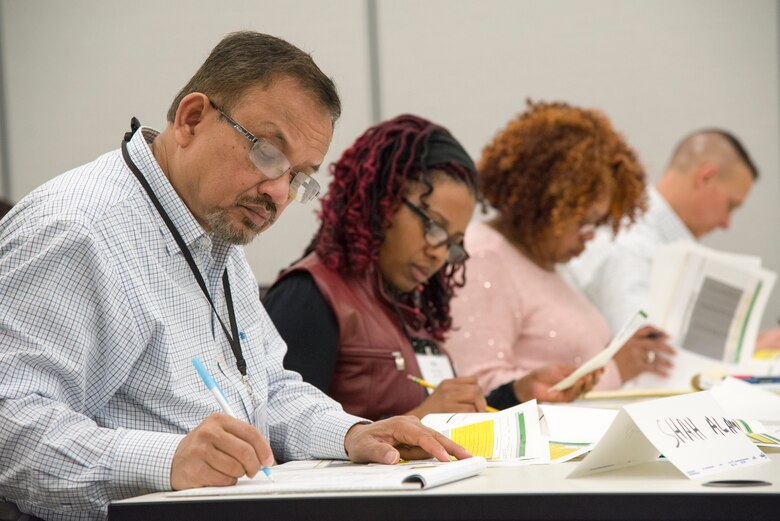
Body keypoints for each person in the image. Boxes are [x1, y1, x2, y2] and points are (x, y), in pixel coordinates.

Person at [0, 32, 469, 521]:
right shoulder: (78, 230)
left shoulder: (215, 233)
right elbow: (8, 425)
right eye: (268, 154)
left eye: (298, 176)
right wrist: (169, 461)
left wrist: (352, 433)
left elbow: (269, 391)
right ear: (192, 119)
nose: (278, 192)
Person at [263, 114, 596, 420]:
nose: (438, 253)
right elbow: (283, 443)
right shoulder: (309, 296)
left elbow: (437, 418)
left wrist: (517, 394)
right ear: (382, 200)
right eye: (434, 227)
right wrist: (420, 420)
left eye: (452, 244)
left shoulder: (410, 306)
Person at [444, 100, 676, 402]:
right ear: (542, 203)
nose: (590, 236)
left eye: (598, 223)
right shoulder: (484, 257)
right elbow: (478, 386)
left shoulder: (542, 261)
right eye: (583, 221)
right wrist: (615, 370)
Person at [561, 129, 780, 348]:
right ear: (706, 178)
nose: (726, 223)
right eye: (730, 205)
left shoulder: (654, 240)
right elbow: (645, 355)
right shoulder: (631, 243)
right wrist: (755, 348)